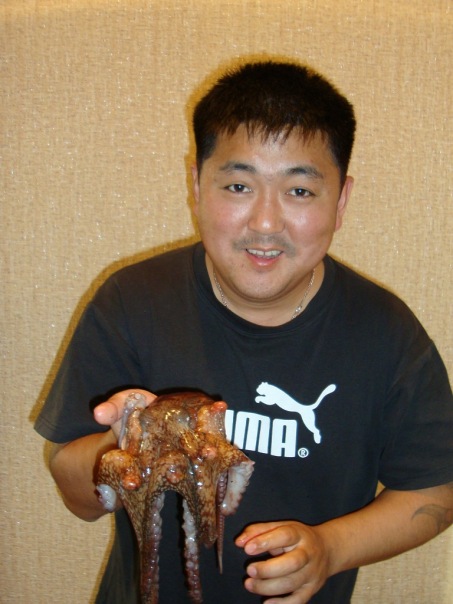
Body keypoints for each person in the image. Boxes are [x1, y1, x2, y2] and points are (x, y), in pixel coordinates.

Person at [35, 59, 453, 604]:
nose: (265, 223)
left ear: (342, 200)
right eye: (238, 185)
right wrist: (124, 448)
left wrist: (331, 548)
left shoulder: (386, 334)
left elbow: (434, 490)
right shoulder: (133, 302)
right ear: (196, 185)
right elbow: (74, 491)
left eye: (299, 191)